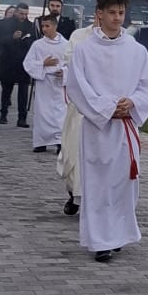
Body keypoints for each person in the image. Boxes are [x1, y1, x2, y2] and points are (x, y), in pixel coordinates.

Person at [65, 0, 148, 263]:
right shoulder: (84, 50)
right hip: (98, 128)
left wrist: (132, 102)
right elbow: (77, 87)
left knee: (123, 184)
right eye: (112, 13)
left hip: (125, 127)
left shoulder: (136, 50)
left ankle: (117, 234)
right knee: (98, 185)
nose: (117, 18)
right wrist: (107, 107)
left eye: (121, 13)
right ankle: (100, 241)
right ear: (99, 14)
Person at [57, 24, 93, 216]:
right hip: (81, 105)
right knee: (75, 150)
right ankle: (75, 194)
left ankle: (98, 202)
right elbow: (69, 61)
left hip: (107, 109)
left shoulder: (123, 42)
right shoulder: (80, 36)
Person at [22, 13, 70, 151]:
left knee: (60, 113)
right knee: (42, 112)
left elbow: (72, 64)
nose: (44, 29)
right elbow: (28, 63)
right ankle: (41, 142)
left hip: (58, 83)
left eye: (47, 26)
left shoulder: (66, 45)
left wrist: (64, 71)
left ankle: (60, 141)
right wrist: (43, 63)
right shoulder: (37, 45)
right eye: (43, 26)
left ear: (55, 26)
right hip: (44, 82)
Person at [0, 4, 34, 126]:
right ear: (16, 12)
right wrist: (12, 37)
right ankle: (3, 114)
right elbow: (0, 40)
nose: (23, 16)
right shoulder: (6, 23)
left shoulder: (30, 25)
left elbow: (33, 42)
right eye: (21, 13)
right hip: (8, 62)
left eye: (26, 14)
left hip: (23, 63)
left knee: (23, 92)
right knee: (6, 90)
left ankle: (22, 118)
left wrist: (26, 40)